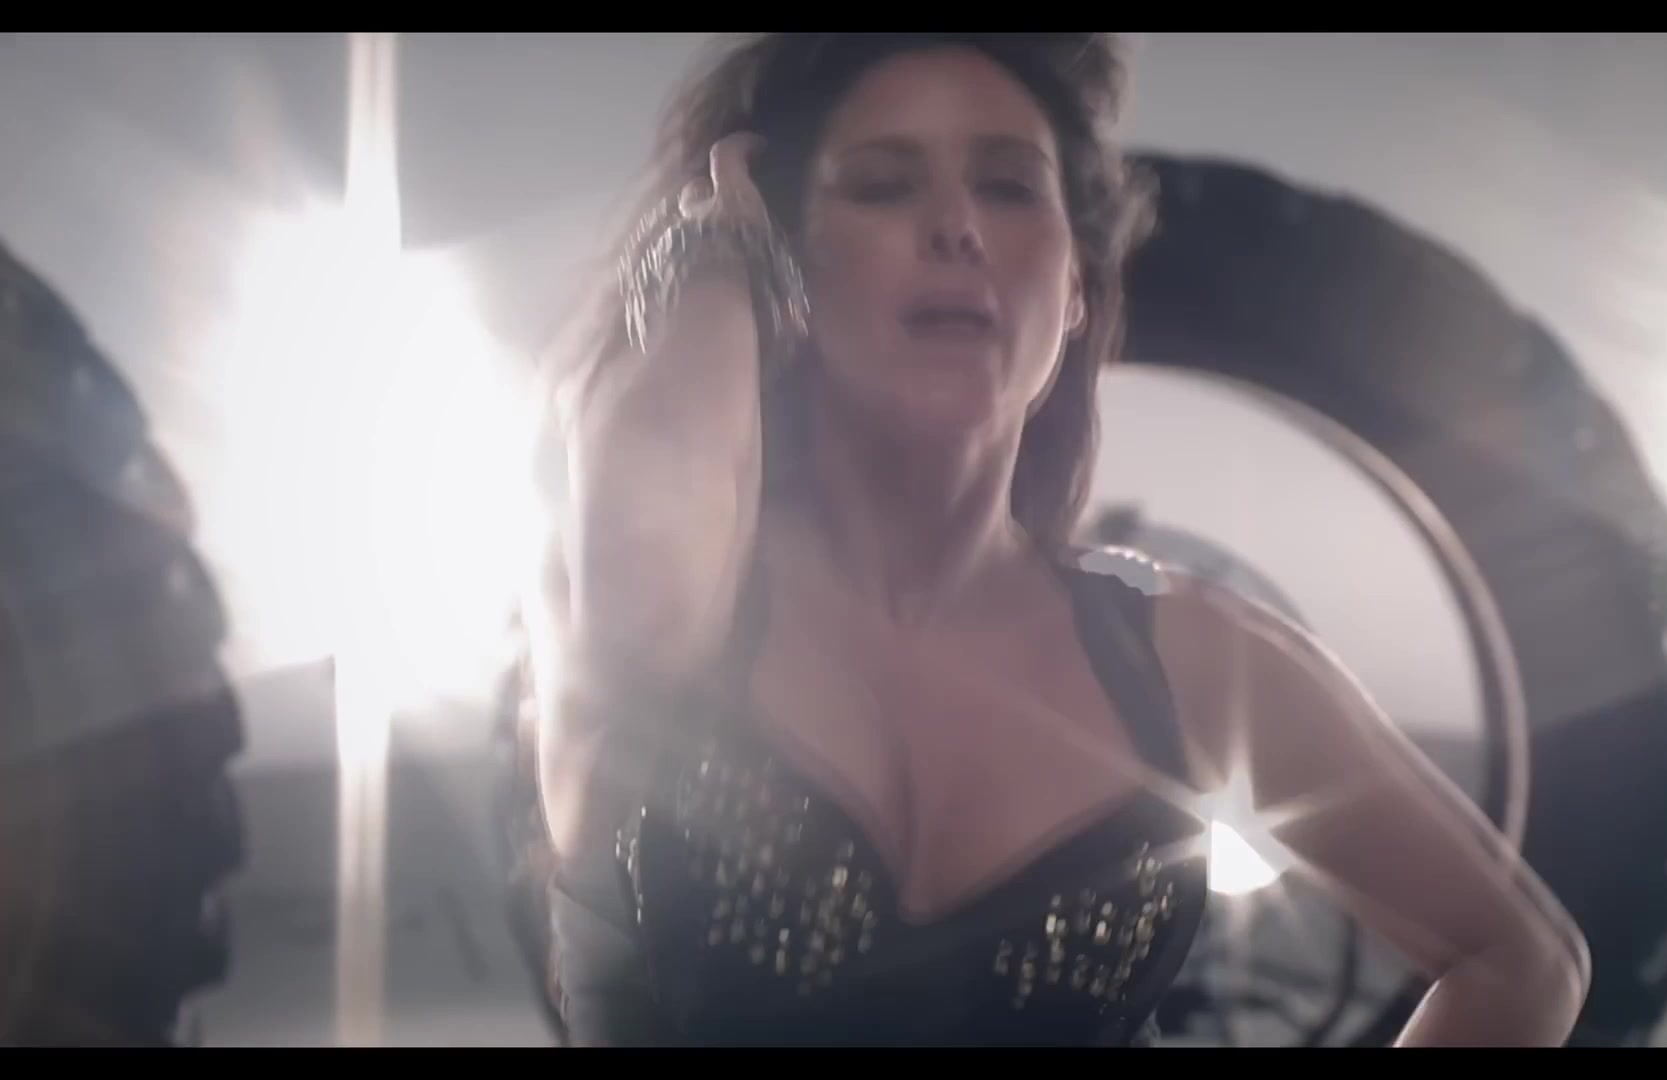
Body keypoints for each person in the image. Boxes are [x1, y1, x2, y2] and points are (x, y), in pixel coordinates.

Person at [529, 32, 1589, 1047]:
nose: (956, 227)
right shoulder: (655, 594)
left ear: (1077, 285)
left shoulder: (1185, 662)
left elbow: (1521, 964)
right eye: (884, 186)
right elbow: (641, 580)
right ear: (787, 262)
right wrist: (713, 258)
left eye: (1008, 187)